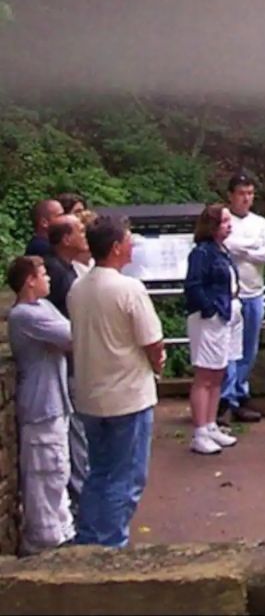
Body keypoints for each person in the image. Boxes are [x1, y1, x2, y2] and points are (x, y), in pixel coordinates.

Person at [67, 212, 165, 548]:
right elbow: (152, 341)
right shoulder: (129, 289)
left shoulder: (78, 287)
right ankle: (111, 544)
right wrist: (158, 363)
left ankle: (88, 538)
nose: (132, 243)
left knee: (99, 471)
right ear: (115, 247)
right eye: (127, 238)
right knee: (127, 477)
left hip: (91, 395)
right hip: (128, 395)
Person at [6, 255, 74, 555]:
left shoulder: (43, 307)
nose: (49, 278)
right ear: (30, 280)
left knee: (59, 471)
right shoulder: (24, 315)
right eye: (43, 273)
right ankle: (43, 541)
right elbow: (72, 335)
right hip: (40, 407)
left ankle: (63, 533)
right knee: (45, 473)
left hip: (57, 402)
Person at [184, 203, 242, 454]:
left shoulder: (223, 250)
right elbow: (193, 285)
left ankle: (210, 424)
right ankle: (199, 431)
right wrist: (210, 309)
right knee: (205, 375)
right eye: (224, 221)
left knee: (219, 372)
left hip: (227, 315)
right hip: (210, 318)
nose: (229, 225)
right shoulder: (202, 253)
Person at [219, 172, 265, 425]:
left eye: (250, 193)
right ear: (231, 195)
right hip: (229, 294)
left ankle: (240, 394)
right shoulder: (223, 219)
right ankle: (225, 399)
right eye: (241, 193)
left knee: (248, 349)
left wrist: (244, 250)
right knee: (227, 348)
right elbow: (226, 246)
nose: (246, 198)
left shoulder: (261, 223)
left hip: (254, 293)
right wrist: (252, 248)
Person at [44, 217, 91, 508]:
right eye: (80, 231)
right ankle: (82, 500)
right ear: (65, 239)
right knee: (77, 433)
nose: (85, 235)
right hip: (69, 365)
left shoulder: (67, 269)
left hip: (74, 362)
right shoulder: (58, 274)